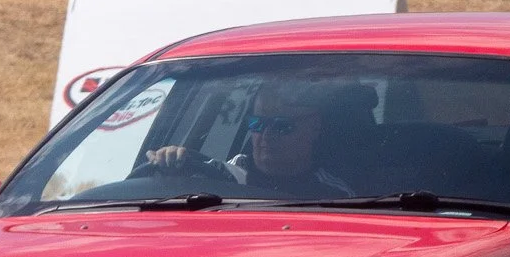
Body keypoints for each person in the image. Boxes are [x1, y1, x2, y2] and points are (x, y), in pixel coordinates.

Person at [145, 82, 355, 199]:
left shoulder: (337, 196)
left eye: (282, 126)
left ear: (313, 128)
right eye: (257, 124)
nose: (266, 135)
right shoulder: (214, 175)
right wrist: (167, 166)